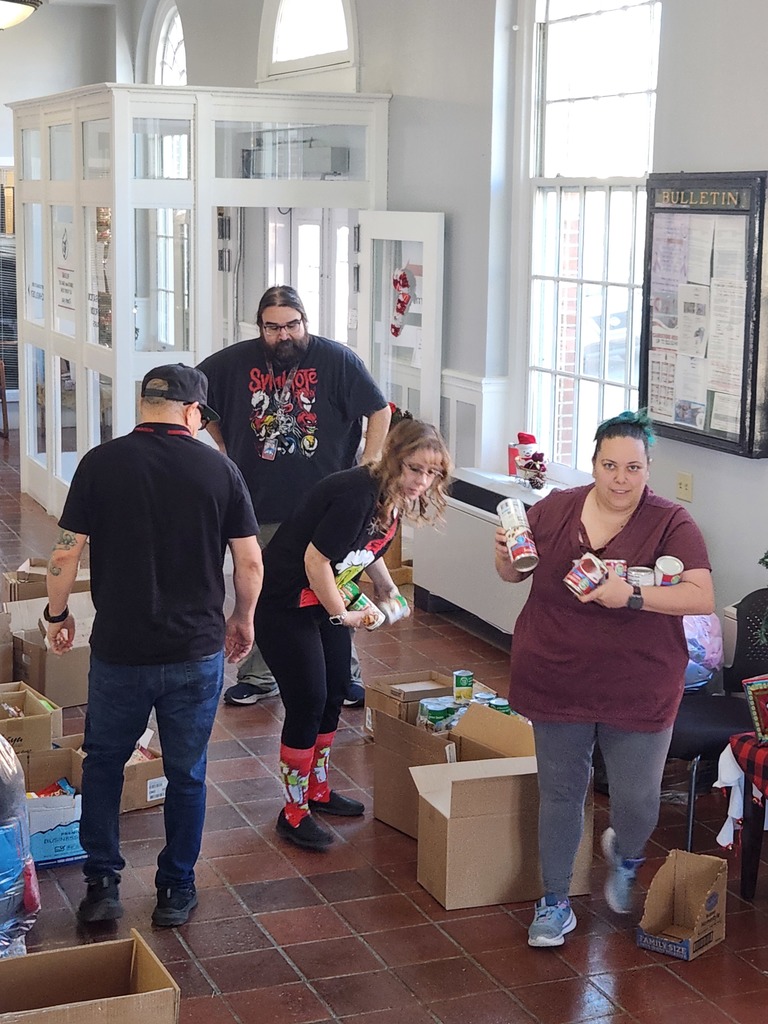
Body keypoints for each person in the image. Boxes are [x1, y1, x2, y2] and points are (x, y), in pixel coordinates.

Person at [45, 364, 263, 928]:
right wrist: (242, 618)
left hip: (120, 651)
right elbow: (249, 561)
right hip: (195, 650)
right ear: (192, 412)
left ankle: (101, 886)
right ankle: (176, 889)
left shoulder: (100, 463)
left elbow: (65, 553)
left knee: (104, 765)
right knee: (187, 772)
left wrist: (56, 614)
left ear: (144, 405)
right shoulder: (220, 470)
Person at [494, 410, 714, 948]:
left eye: (632, 467)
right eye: (609, 465)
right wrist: (505, 558)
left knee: (637, 800)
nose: (620, 478)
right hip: (556, 675)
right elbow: (513, 574)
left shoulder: (672, 522)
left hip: (638, 685)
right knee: (561, 793)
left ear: (648, 468)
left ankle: (626, 854)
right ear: (593, 464)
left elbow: (701, 596)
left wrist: (631, 596)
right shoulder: (553, 510)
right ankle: (554, 900)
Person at [255, 419, 451, 851]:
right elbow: (316, 561)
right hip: (285, 601)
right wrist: (343, 615)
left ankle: (317, 788)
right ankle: (293, 811)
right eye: (415, 469)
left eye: (432, 473)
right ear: (394, 459)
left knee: (336, 689)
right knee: (308, 698)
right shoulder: (356, 493)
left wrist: (386, 587)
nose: (422, 481)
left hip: (323, 598)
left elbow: (363, 548)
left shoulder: (392, 497)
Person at [198, 285, 391, 709]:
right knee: (265, 590)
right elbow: (195, 399)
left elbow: (380, 409)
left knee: (333, 586)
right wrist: (223, 443)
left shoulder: (337, 360)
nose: (283, 335)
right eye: (272, 327)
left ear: (305, 321)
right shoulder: (233, 362)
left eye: (292, 325)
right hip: (260, 499)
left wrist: (369, 466)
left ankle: (344, 674)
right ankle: (259, 676)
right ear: (259, 326)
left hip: (328, 502)